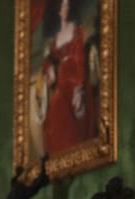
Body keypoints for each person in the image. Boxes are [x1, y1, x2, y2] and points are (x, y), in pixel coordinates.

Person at [38, 0, 98, 155]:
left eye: (67, 5)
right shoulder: (55, 38)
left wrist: (77, 87)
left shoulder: (77, 31)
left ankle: (71, 148)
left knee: (63, 103)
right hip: (61, 82)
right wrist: (49, 69)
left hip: (74, 79)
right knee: (56, 104)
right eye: (63, 6)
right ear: (59, 11)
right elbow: (49, 60)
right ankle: (59, 152)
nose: (65, 8)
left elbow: (79, 59)